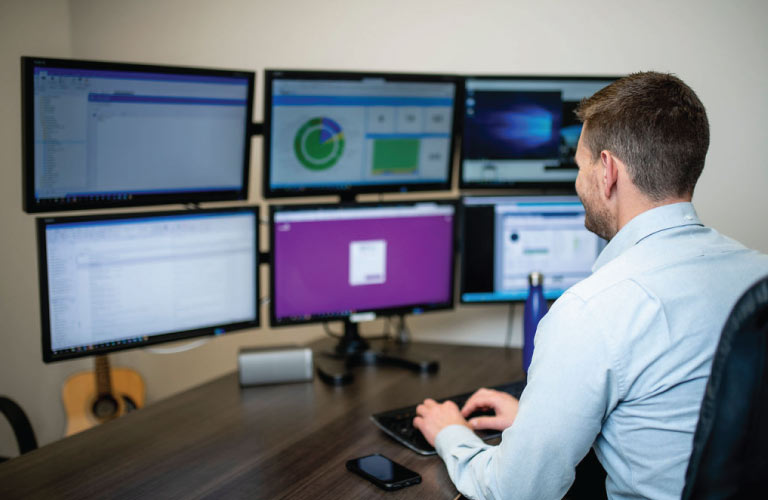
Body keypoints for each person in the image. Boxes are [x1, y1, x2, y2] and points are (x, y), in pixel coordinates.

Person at [413, 72, 768, 500]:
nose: (577, 184)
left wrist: (452, 435)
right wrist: (536, 421)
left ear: (607, 172)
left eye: (580, 166)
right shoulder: (758, 274)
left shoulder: (592, 310)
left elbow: (514, 492)